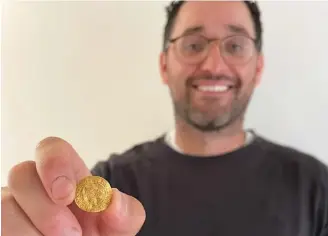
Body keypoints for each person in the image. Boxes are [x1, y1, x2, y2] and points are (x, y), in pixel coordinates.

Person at [2, 1, 328, 236]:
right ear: (164, 66)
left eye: (236, 45)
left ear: (258, 68)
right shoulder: (111, 186)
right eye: (194, 44)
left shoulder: (316, 186)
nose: (214, 64)